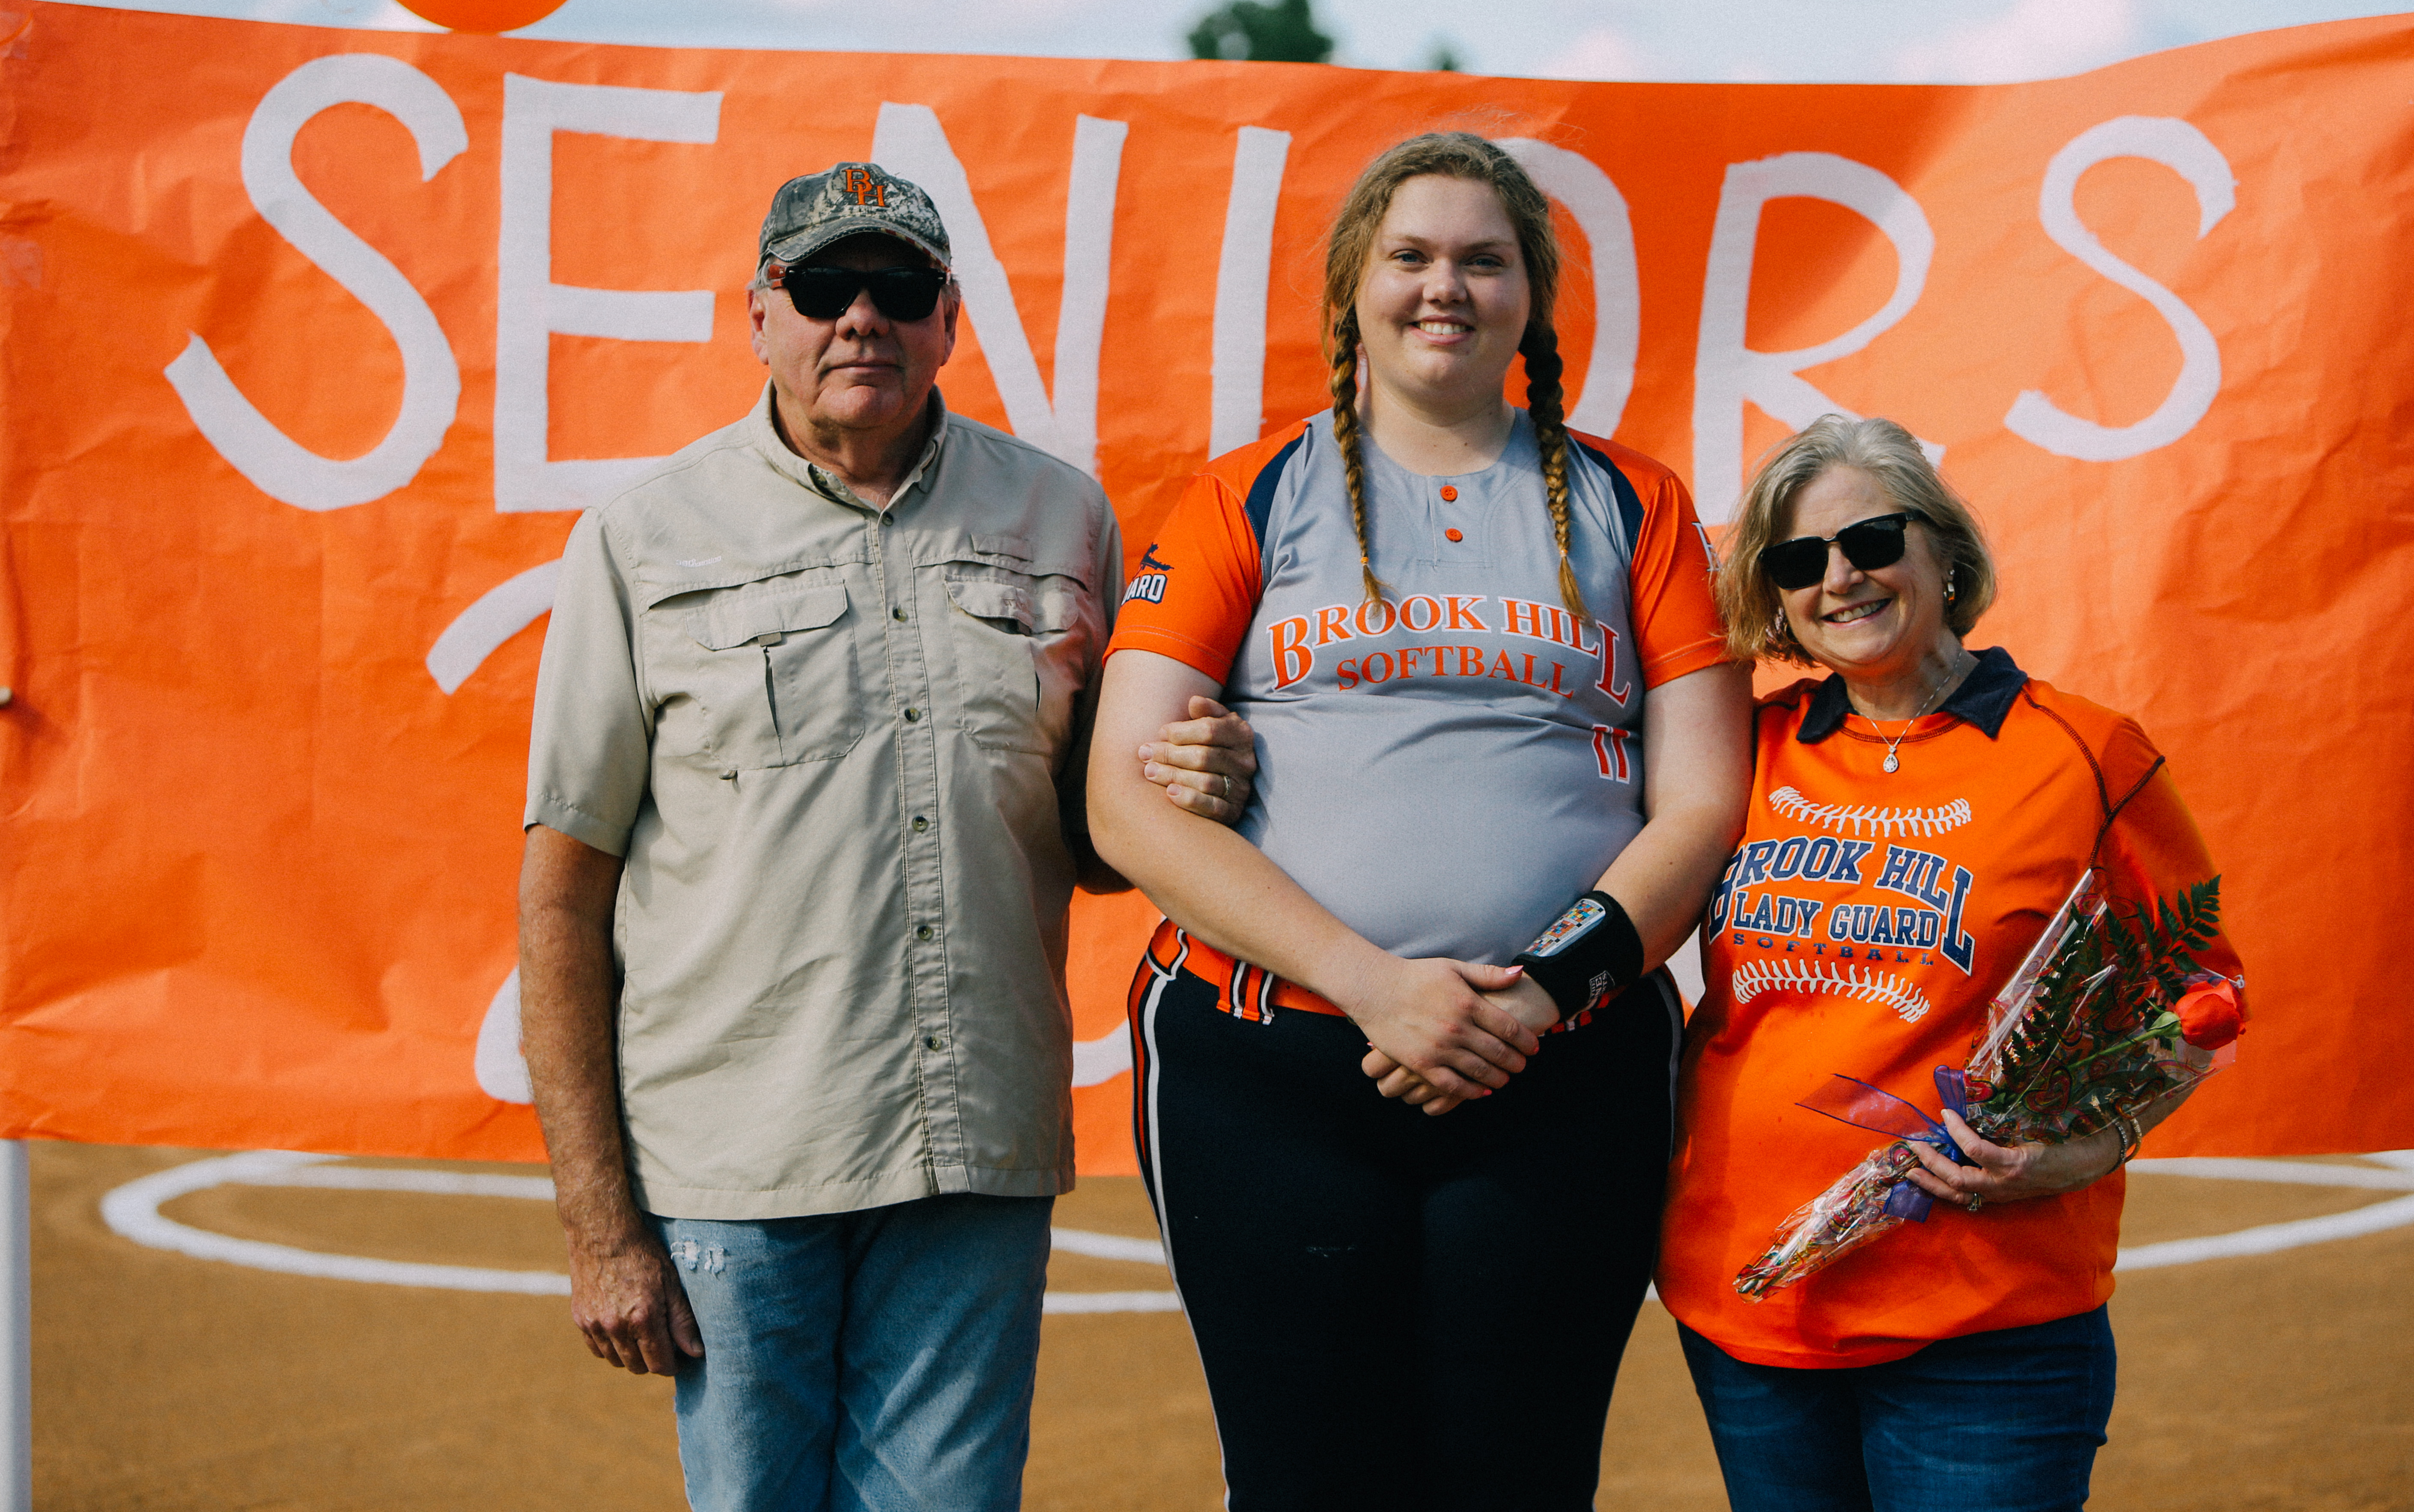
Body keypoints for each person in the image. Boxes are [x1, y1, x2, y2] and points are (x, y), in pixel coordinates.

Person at [517, 162, 1244, 1512]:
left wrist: (1189, 776)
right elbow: (564, 894)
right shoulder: (641, 539)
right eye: (824, 287)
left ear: (949, 318)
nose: (863, 318)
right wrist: (601, 1226)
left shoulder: (1061, 517)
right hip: (735, 1153)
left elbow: (1092, 834)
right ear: (760, 313)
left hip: (971, 1142)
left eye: (899, 289)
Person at [1090, 131, 1751, 1509]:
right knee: (1307, 1479)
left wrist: (1544, 993)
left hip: (1559, 1066)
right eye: (1410, 256)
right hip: (1272, 1069)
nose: (1443, 286)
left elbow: (1701, 800)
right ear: (1353, 291)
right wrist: (1378, 987)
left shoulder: (1640, 506)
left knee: (1522, 1476)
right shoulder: (1245, 497)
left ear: (1532, 300)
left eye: (1483, 259)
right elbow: (1124, 800)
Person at [1655, 414, 2244, 1512]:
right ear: (1774, 598)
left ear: (1943, 550)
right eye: (1797, 563)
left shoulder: (2084, 751)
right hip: (1752, 1308)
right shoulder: (1741, 750)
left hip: (1988, 1324)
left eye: (1872, 541)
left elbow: (2205, 993)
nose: (1841, 579)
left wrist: (2094, 1145)